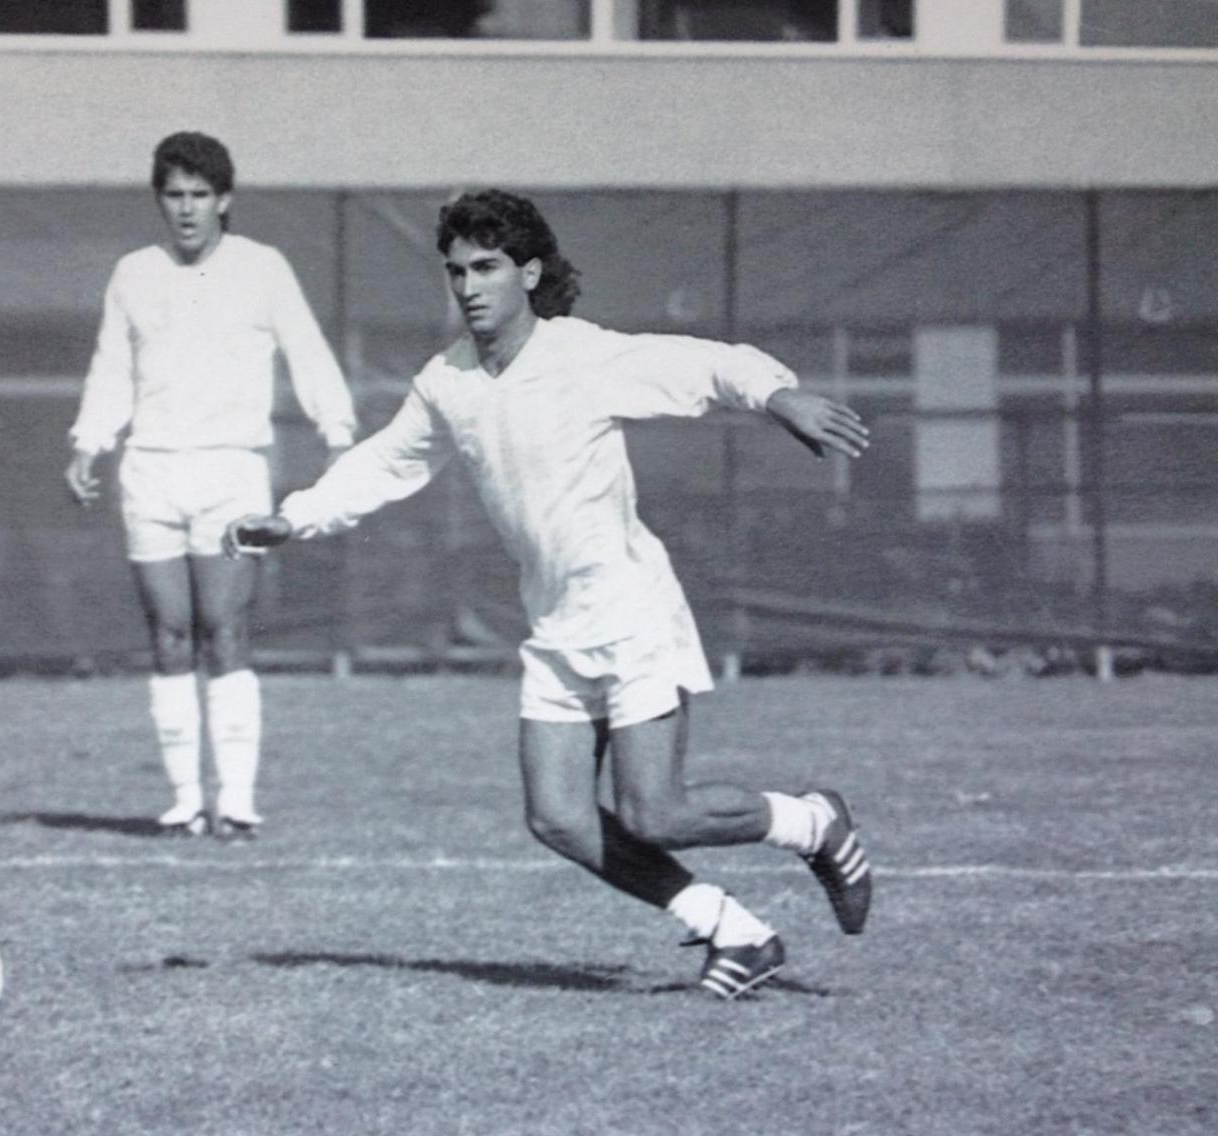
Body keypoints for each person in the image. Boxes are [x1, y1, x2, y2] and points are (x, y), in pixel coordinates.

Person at [226, 190, 873, 998]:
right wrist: (295, 518)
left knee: (655, 813)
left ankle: (816, 821)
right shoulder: (448, 380)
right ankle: (735, 931)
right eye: (457, 270)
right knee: (559, 816)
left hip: (632, 607)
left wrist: (780, 397)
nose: (469, 286)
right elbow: (388, 461)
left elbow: (706, 365)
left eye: (487, 268)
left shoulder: (583, 355)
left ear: (528, 273)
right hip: (557, 622)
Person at [65, 131, 358, 840]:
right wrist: (88, 441)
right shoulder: (133, 272)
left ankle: (236, 800)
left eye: (201, 194)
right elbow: (112, 367)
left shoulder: (263, 268)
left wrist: (339, 433)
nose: (188, 209)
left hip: (233, 473)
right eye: (175, 195)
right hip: (152, 473)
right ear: (160, 200)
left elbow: (307, 351)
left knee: (225, 631)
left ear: (224, 199)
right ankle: (183, 801)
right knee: (169, 636)